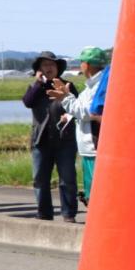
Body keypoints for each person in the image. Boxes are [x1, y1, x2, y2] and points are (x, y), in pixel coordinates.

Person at [23, 52, 78, 222]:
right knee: (40, 179)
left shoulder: (68, 85)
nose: (49, 68)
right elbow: (27, 102)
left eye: (52, 65)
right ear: (39, 69)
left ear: (57, 68)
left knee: (67, 179)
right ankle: (44, 213)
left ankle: (69, 214)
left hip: (65, 140)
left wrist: (68, 116)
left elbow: (77, 107)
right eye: (45, 65)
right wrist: (38, 83)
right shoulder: (35, 88)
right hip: (41, 140)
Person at [49, 47, 106, 206]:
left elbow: (88, 112)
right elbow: (80, 108)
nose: (80, 66)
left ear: (86, 65)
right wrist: (68, 114)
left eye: (81, 62)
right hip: (88, 148)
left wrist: (66, 99)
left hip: (94, 148)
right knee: (92, 193)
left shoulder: (99, 86)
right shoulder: (91, 86)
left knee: (97, 195)